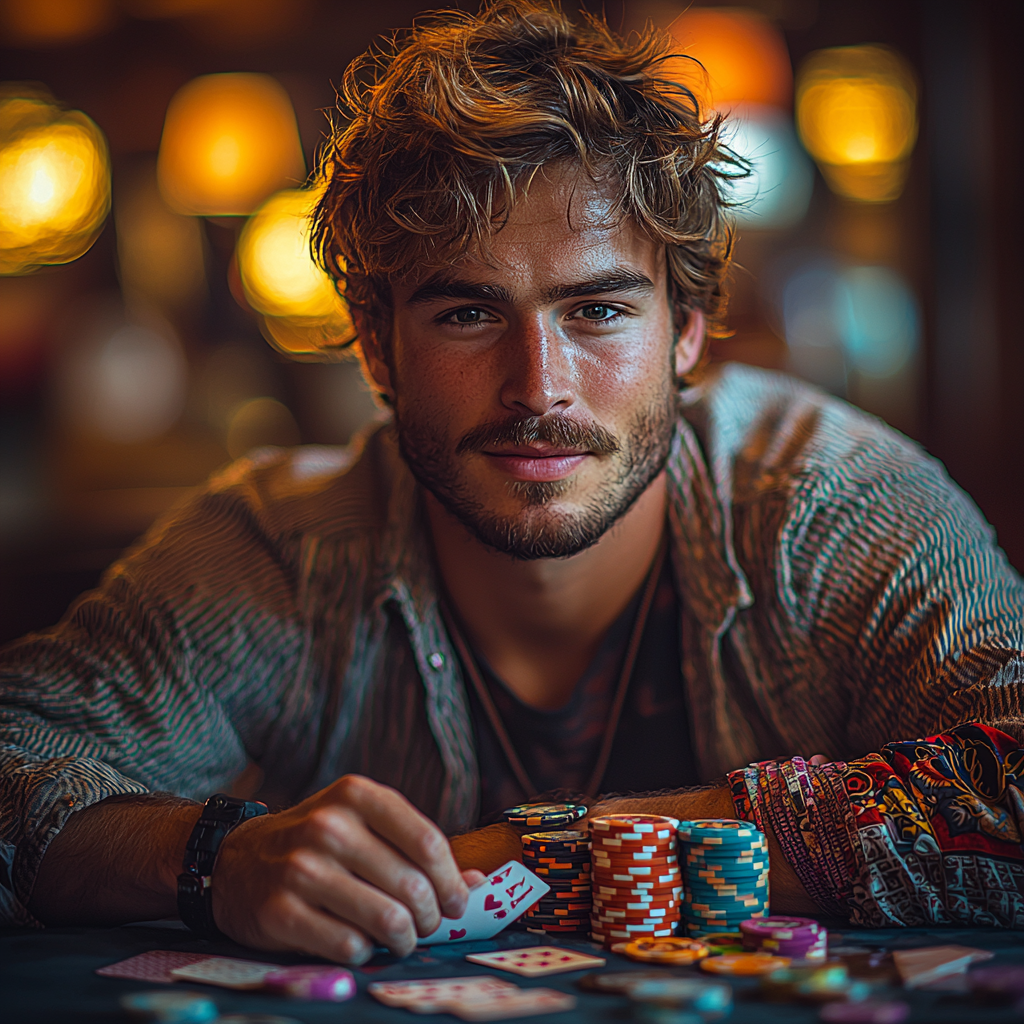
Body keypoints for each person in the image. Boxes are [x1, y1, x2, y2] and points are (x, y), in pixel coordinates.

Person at [3, 0, 1024, 965]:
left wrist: (537, 849)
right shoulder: (282, 549)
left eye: (598, 311)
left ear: (689, 335)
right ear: (374, 349)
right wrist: (212, 857)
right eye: (466, 314)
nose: (538, 388)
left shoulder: (836, 505)